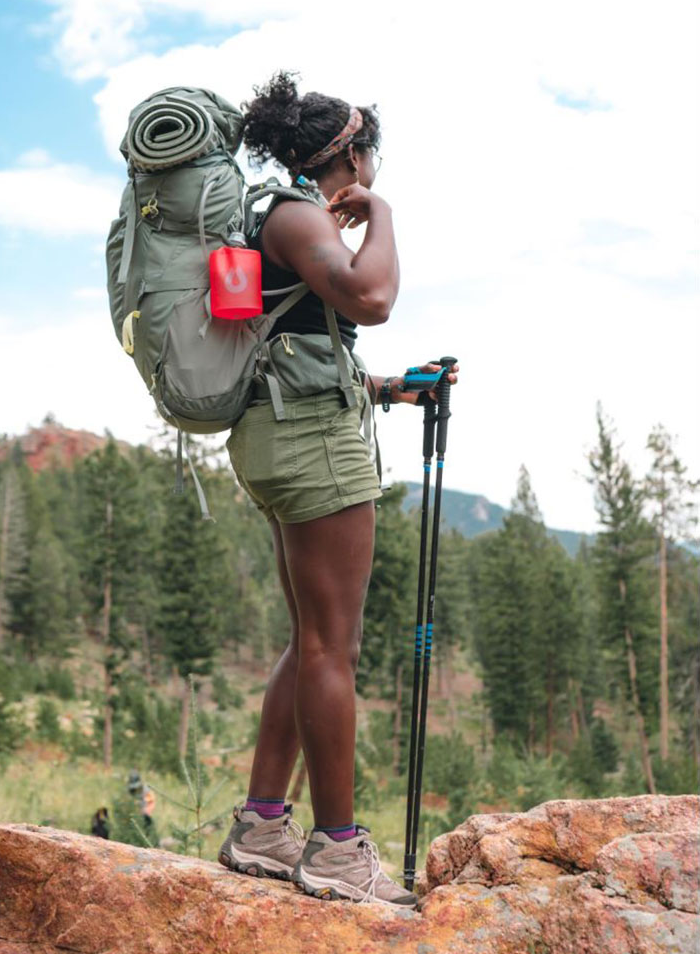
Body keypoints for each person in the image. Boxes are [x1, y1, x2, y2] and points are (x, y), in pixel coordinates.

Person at [218, 72, 459, 907]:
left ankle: (260, 826)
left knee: (309, 636)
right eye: (371, 154)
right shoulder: (295, 215)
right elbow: (372, 295)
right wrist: (382, 218)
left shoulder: (265, 213)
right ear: (349, 154)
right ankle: (339, 851)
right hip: (311, 443)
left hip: (279, 432)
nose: (375, 168)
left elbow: (300, 337)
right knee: (333, 647)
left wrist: (393, 389)